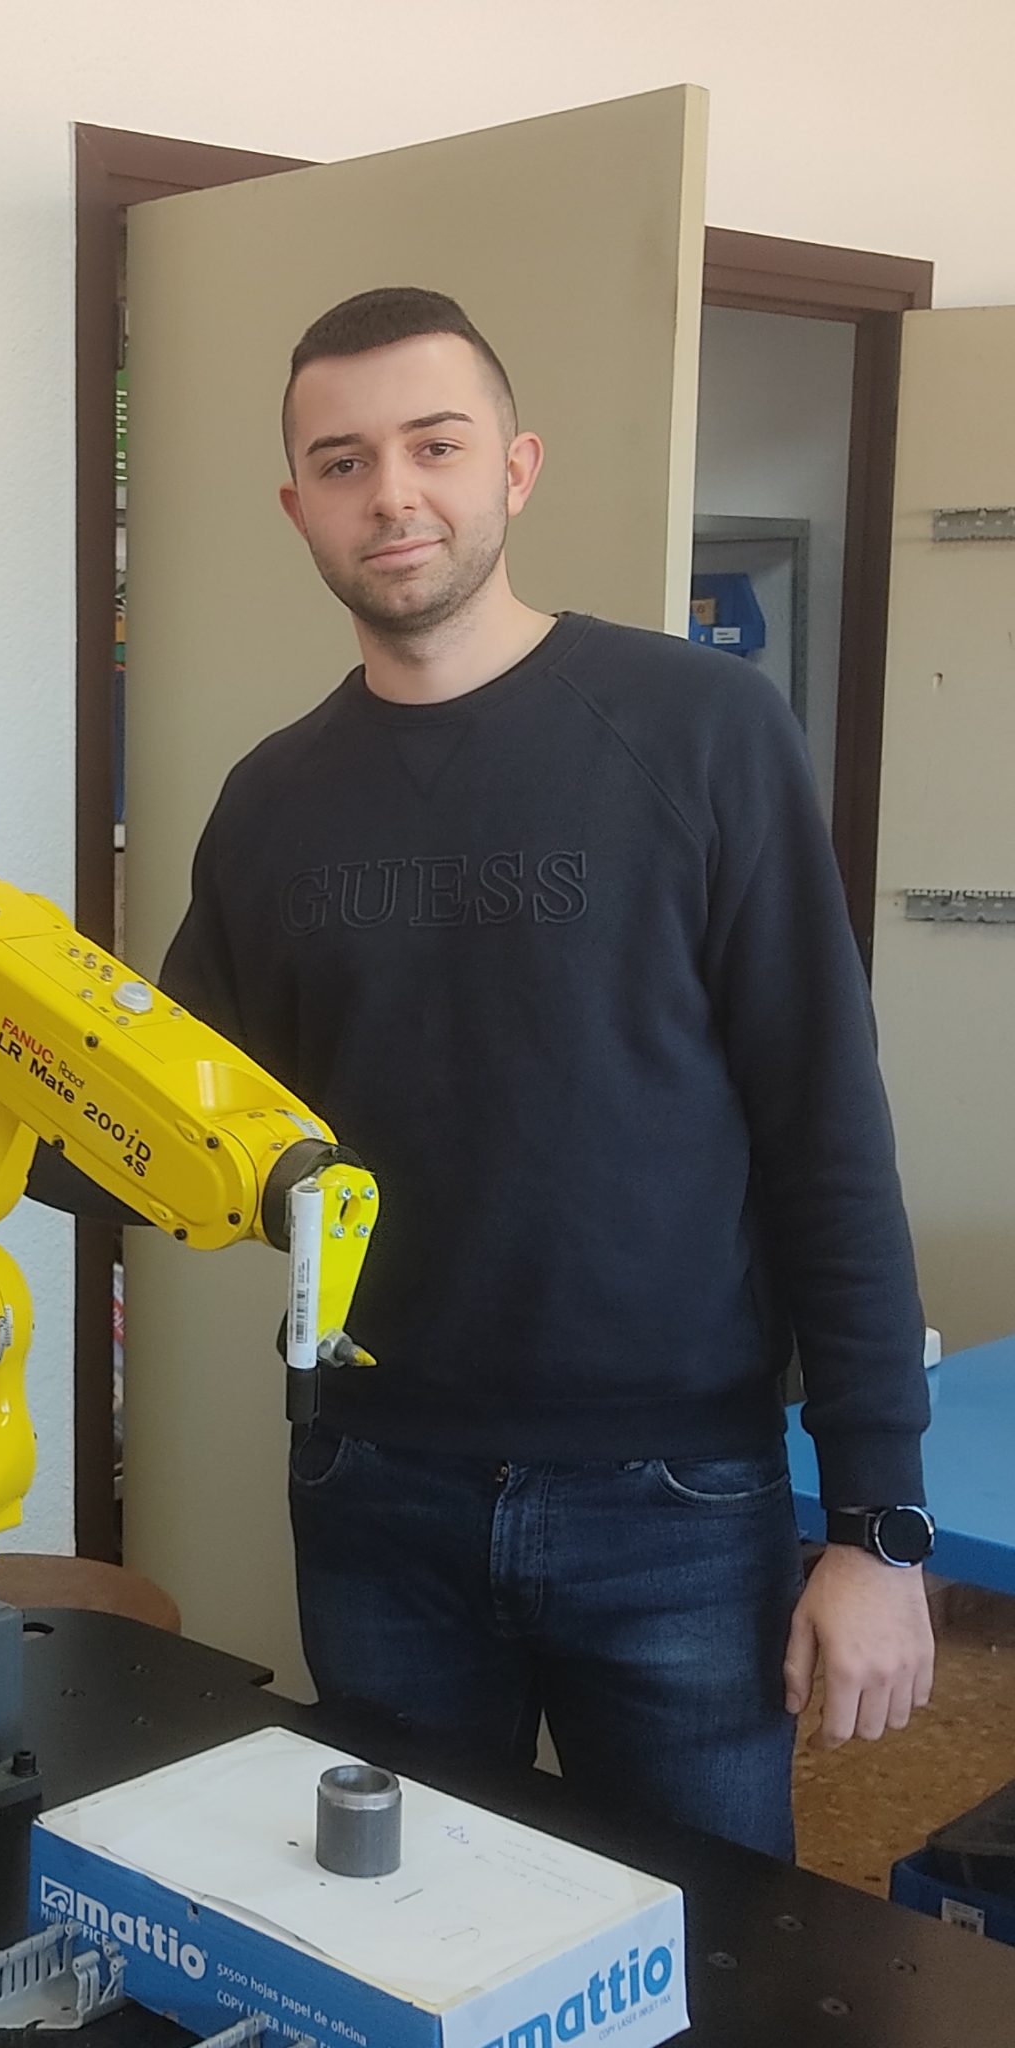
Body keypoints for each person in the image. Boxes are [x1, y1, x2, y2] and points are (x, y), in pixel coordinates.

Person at [155, 286, 936, 1859]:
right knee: (411, 1942)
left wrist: (876, 1526)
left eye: (435, 445)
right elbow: (173, 1122)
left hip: (675, 1497)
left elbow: (827, 1136)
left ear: (515, 467)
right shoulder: (270, 801)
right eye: (344, 461)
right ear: (298, 506)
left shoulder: (705, 732)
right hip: (374, 1487)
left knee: (700, 1945)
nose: (394, 493)